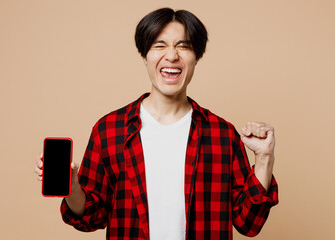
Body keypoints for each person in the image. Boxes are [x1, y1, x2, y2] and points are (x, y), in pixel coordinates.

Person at [35, 7, 278, 240]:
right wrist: (72, 187)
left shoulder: (222, 134)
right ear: (144, 55)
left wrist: (265, 159)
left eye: (184, 47)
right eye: (159, 45)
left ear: (196, 58)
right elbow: (90, 218)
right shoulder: (109, 130)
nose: (172, 56)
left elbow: (249, 223)